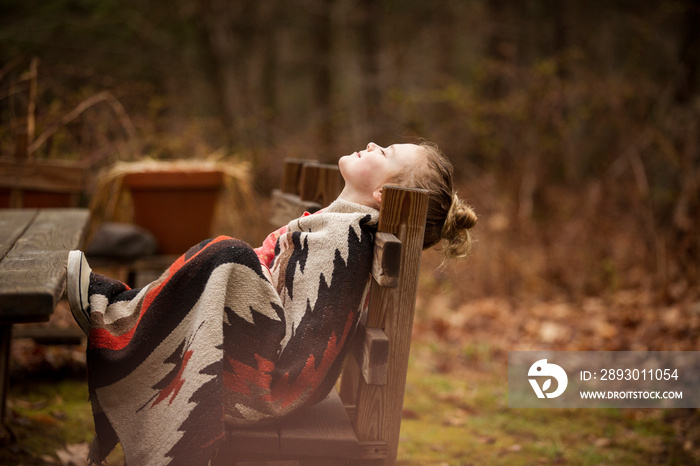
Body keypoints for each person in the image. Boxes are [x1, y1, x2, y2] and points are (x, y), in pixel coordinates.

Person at [66, 140, 476, 465]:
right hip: (275, 382)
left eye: (384, 153)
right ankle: (119, 313)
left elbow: (298, 334)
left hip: (267, 390)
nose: (371, 145)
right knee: (231, 255)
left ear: (383, 194)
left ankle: (113, 315)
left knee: (228, 253)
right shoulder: (342, 228)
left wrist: (247, 264)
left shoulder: (344, 241)